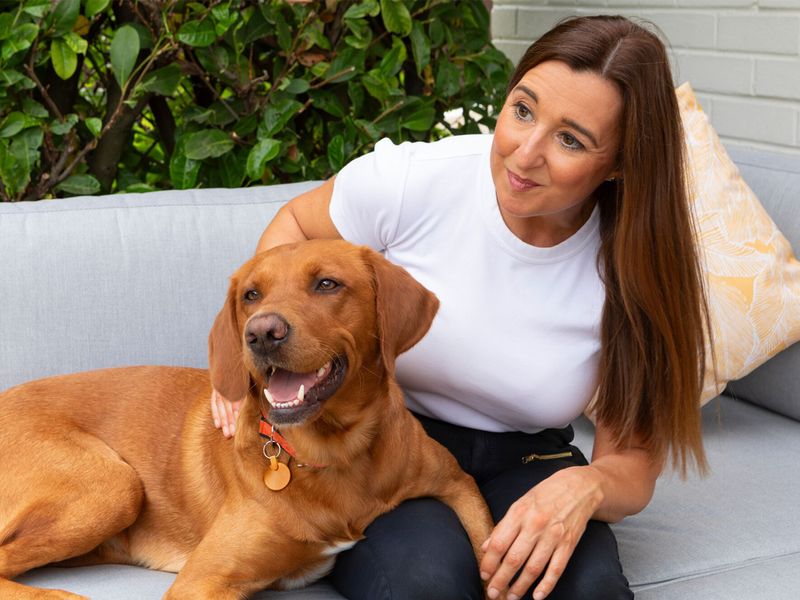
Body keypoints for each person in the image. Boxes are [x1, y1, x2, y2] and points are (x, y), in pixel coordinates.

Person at [211, 15, 710, 600]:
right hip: (389, 446)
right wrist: (261, 357)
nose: (525, 154)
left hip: (531, 455)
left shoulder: (634, 266)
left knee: (590, 592)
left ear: (621, 164)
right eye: (523, 110)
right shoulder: (415, 180)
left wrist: (588, 484)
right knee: (424, 588)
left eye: (570, 139)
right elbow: (296, 225)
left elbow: (632, 463)